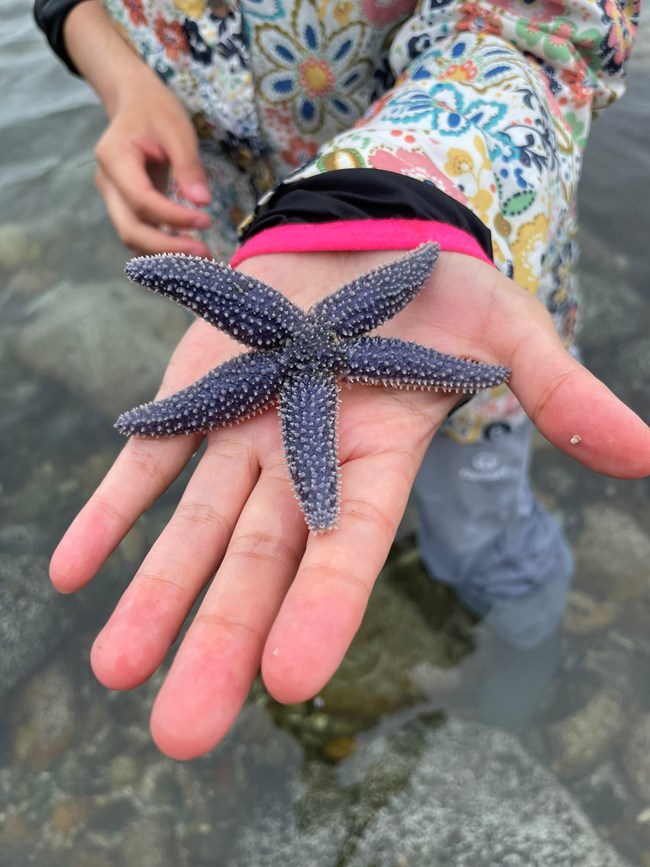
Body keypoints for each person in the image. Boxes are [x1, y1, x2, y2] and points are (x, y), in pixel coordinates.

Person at [35, 0, 648, 759]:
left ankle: (528, 625)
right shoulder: (302, 350)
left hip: (461, 252)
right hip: (267, 239)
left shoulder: (358, 338)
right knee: (347, 491)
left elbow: (551, 26)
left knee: (478, 522)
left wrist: (395, 198)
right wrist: (123, 78)